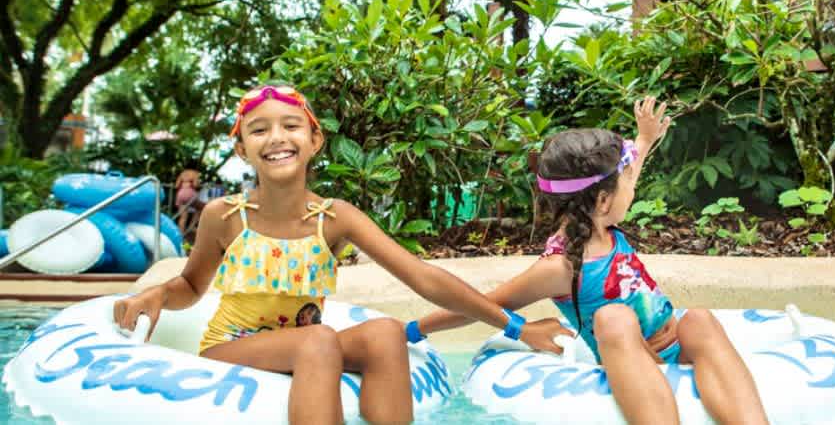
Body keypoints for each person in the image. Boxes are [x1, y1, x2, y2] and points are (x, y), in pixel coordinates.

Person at [113, 84, 570, 425]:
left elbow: (423, 278)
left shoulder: (334, 217)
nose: (276, 138)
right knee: (318, 339)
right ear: (241, 149)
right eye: (259, 130)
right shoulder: (225, 216)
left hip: (306, 343)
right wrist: (156, 295)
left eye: (291, 126)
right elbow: (191, 285)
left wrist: (517, 327)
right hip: (232, 348)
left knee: (385, 333)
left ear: (314, 141)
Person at [411, 97, 770, 425]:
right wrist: (413, 331)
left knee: (699, 319)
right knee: (613, 318)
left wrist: (645, 138)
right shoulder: (560, 267)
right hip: (632, 360)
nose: (634, 185)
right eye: (628, 182)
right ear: (602, 200)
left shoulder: (603, 219)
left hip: (675, 347)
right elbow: (482, 304)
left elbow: (628, 170)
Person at [174, 165, 201, 234]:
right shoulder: (195, 173)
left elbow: (176, 185)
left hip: (180, 194)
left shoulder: (182, 173)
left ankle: (180, 234)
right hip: (190, 194)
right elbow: (195, 185)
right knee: (200, 208)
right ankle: (191, 227)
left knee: (183, 216)